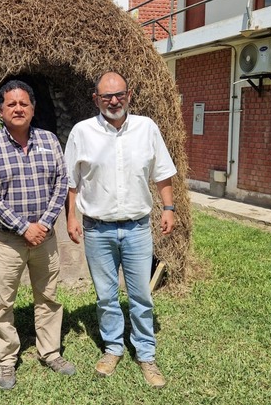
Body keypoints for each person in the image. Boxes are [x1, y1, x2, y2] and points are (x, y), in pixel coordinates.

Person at [64, 71, 176, 388]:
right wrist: (71, 217)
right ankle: (113, 348)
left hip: (137, 228)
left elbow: (162, 172)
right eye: (107, 96)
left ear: (129, 95)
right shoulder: (82, 132)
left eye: (119, 95)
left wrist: (169, 208)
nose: (114, 101)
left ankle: (146, 354)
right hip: (97, 230)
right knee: (106, 296)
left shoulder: (147, 128)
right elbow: (71, 181)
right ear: (96, 99)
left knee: (141, 295)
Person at [0, 79, 75, 390]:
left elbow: (61, 183)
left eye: (24, 104)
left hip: (45, 237)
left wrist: (43, 224)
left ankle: (50, 352)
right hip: (8, 240)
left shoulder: (49, 140)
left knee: (48, 297)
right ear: (1, 110)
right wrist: (23, 227)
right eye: (11, 104)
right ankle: (6, 359)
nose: (18, 108)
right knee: (3, 301)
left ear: (33, 109)